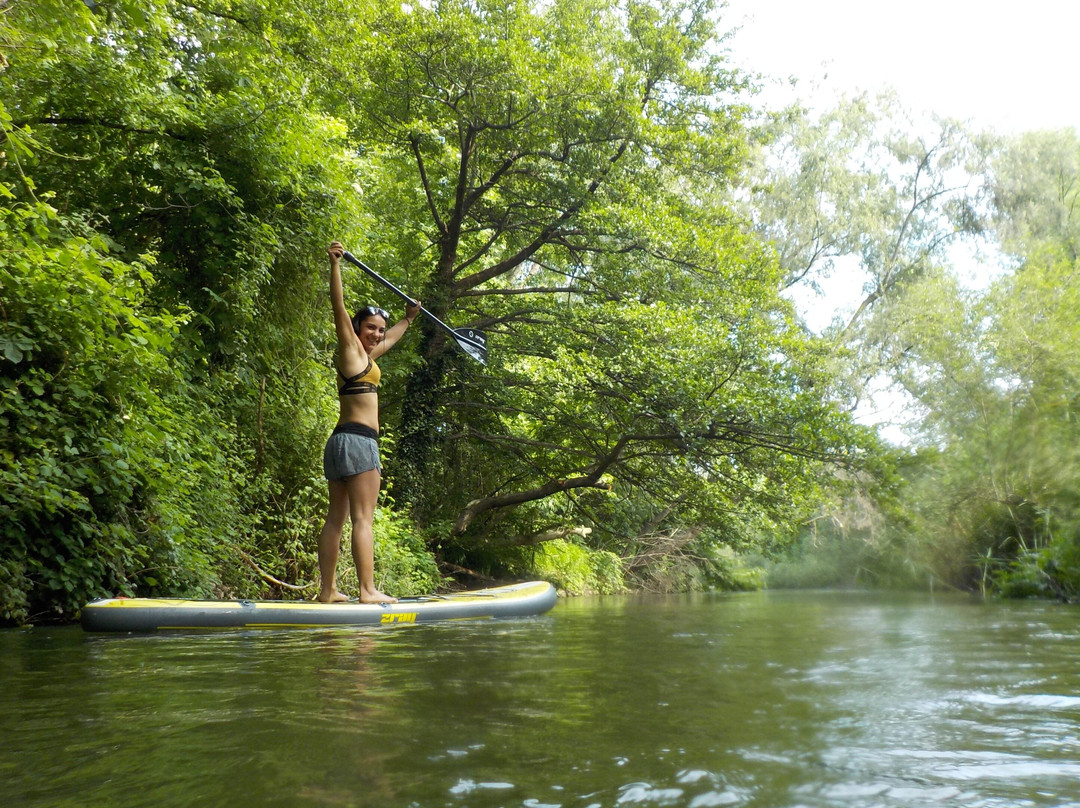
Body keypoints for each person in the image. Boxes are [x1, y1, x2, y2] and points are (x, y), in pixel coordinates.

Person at [318, 241, 420, 603]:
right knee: (363, 519)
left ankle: (327, 591)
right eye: (371, 328)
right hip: (360, 444)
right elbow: (339, 307)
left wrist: (408, 318)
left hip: (339, 443)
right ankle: (367, 590)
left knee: (336, 519)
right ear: (357, 328)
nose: (377, 334)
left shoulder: (366, 357)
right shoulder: (349, 347)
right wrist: (335, 266)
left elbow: (391, 338)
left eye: (380, 329)